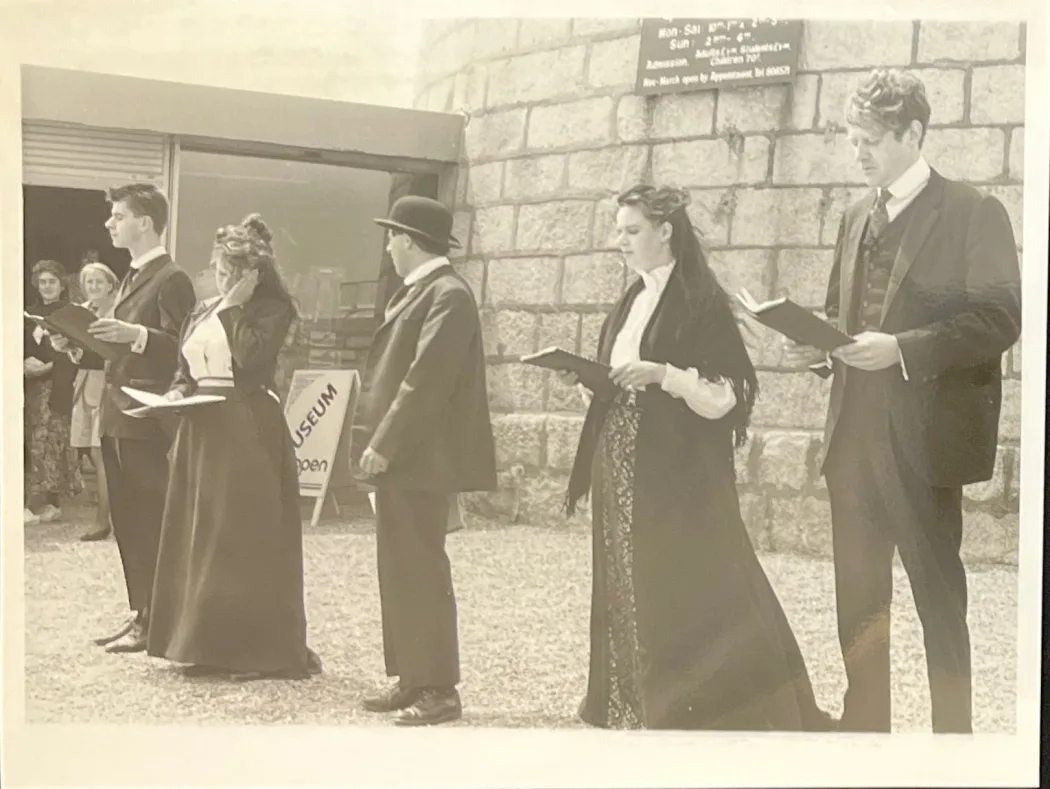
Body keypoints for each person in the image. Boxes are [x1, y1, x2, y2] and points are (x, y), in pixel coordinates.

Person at [783, 69, 1022, 733]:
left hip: (923, 445)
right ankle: (867, 732)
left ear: (914, 133)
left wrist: (903, 349)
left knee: (939, 602)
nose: (857, 152)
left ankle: (954, 741)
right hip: (851, 446)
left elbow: (1000, 318)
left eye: (871, 140)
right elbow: (841, 307)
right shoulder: (857, 213)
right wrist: (822, 346)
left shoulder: (974, 211)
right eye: (851, 139)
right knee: (859, 603)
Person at [562, 184, 835, 731]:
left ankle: (705, 707)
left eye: (631, 231)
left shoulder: (701, 303)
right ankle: (629, 701)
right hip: (622, 464)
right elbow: (617, 382)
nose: (620, 242)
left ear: (667, 233)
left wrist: (665, 375)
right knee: (626, 576)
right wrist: (589, 383)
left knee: (690, 581)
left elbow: (729, 393)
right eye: (618, 231)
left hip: (679, 472)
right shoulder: (630, 301)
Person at [146, 213, 321, 682]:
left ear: (254, 274)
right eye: (219, 271)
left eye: (233, 273)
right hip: (201, 431)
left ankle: (262, 653)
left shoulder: (270, 309)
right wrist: (176, 392)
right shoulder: (202, 309)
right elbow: (186, 367)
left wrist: (234, 307)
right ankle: (205, 644)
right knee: (202, 536)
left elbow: (249, 359)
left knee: (243, 539)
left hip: (245, 429)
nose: (223, 281)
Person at [351, 195, 497, 726]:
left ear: (408, 240)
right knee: (400, 567)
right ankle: (413, 676)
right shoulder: (428, 292)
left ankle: (439, 689)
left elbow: (424, 380)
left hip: (418, 458)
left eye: (391, 237)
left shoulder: (447, 296)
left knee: (421, 570)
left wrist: (383, 443)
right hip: (408, 459)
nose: (388, 247)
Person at [87, 183, 197, 654]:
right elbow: (125, 346)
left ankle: (158, 618)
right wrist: (82, 343)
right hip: (119, 414)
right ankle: (143, 614)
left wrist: (135, 335)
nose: (110, 224)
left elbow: (184, 349)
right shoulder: (132, 275)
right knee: (129, 521)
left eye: (118, 216)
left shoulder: (172, 278)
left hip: (146, 416)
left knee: (150, 519)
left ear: (145, 222)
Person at [61, 261, 121, 541]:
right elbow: (83, 353)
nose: (93, 287)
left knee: (102, 453)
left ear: (110, 284)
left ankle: (103, 520)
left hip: (108, 383)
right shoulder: (84, 312)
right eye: (88, 283)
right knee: (93, 452)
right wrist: (68, 346)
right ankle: (107, 515)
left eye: (98, 281)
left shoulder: (119, 311)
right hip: (86, 380)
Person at [23, 259, 82, 525]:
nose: (46, 287)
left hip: (57, 384)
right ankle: (39, 501)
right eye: (42, 282)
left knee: (50, 442)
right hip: (31, 387)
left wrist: (46, 367)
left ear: (61, 285)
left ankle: (46, 501)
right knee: (33, 442)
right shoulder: (28, 314)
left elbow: (74, 353)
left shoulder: (70, 313)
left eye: (52, 282)